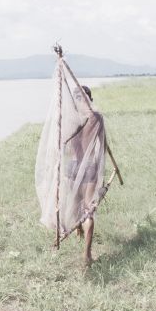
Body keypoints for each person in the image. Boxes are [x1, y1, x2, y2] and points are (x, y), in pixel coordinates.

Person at [64, 85, 105, 265]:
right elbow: (101, 148)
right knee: (89, 209)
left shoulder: (69, 119)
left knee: (75, 204)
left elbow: (64, 146)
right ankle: (87, 256)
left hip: (71, 166)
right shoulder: (96, 117)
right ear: (90, 99)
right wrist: (100, 174)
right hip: (88, 167)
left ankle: (78, 230)